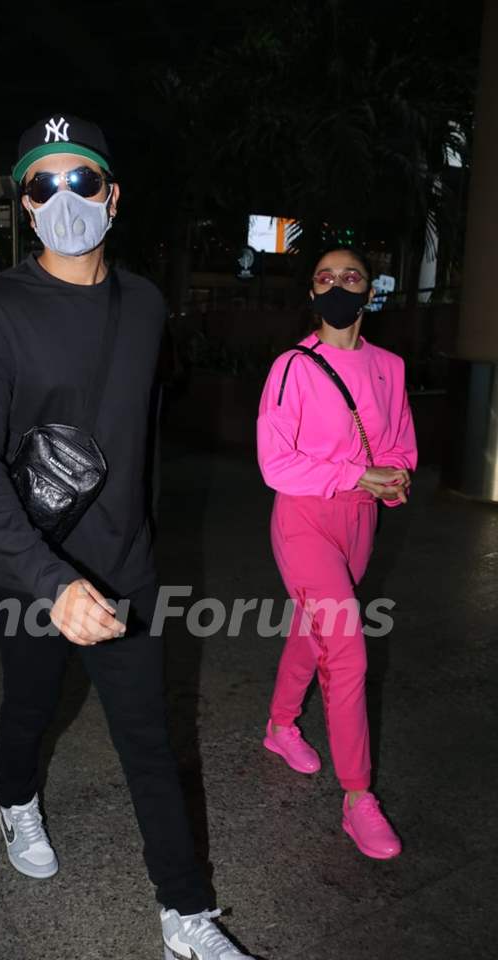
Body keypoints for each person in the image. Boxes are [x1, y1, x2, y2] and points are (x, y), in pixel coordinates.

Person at [0, 112, 256, 960]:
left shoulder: (148, 304)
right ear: (24, 205)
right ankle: (16, 800)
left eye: (81, 179)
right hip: (30, 574)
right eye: (43, 185)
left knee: (149, 740)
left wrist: (137, 551)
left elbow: (138, 435)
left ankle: (186, 916)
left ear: (113, 197)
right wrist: (50, 582)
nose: (64, 197)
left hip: (125, 569)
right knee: (30, 708)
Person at [257, 246, 418, 860]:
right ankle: (358, 798)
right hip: (302, 520)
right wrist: (359, 474)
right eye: (325, 277)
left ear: (369, 290)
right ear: (312, 293)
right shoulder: (293, 367)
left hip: (360, 525)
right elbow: (277, 463)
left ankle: (279, 726)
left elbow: (401, 444)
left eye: (350, 276)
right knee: (346, 645)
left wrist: (395, 476)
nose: (338, 285)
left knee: (311, 630)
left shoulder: (391, 367)